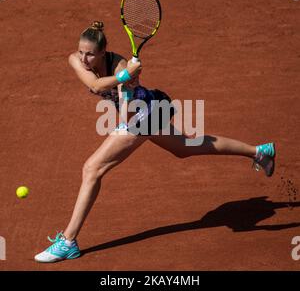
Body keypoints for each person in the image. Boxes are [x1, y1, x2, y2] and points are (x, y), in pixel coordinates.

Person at [34, 21, 276, 263]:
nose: (84, 59)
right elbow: (95, 84)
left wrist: (126, 83)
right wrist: (124, 76)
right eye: (81, 52)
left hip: (143, 112)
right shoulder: (77, 60)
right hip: (143, 111)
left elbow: (127, 116)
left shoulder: (118, 63)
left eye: (90, 54)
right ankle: (258, 152)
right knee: (185, 147)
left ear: (103, 51)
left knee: (92, 168)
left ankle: (68, 241)